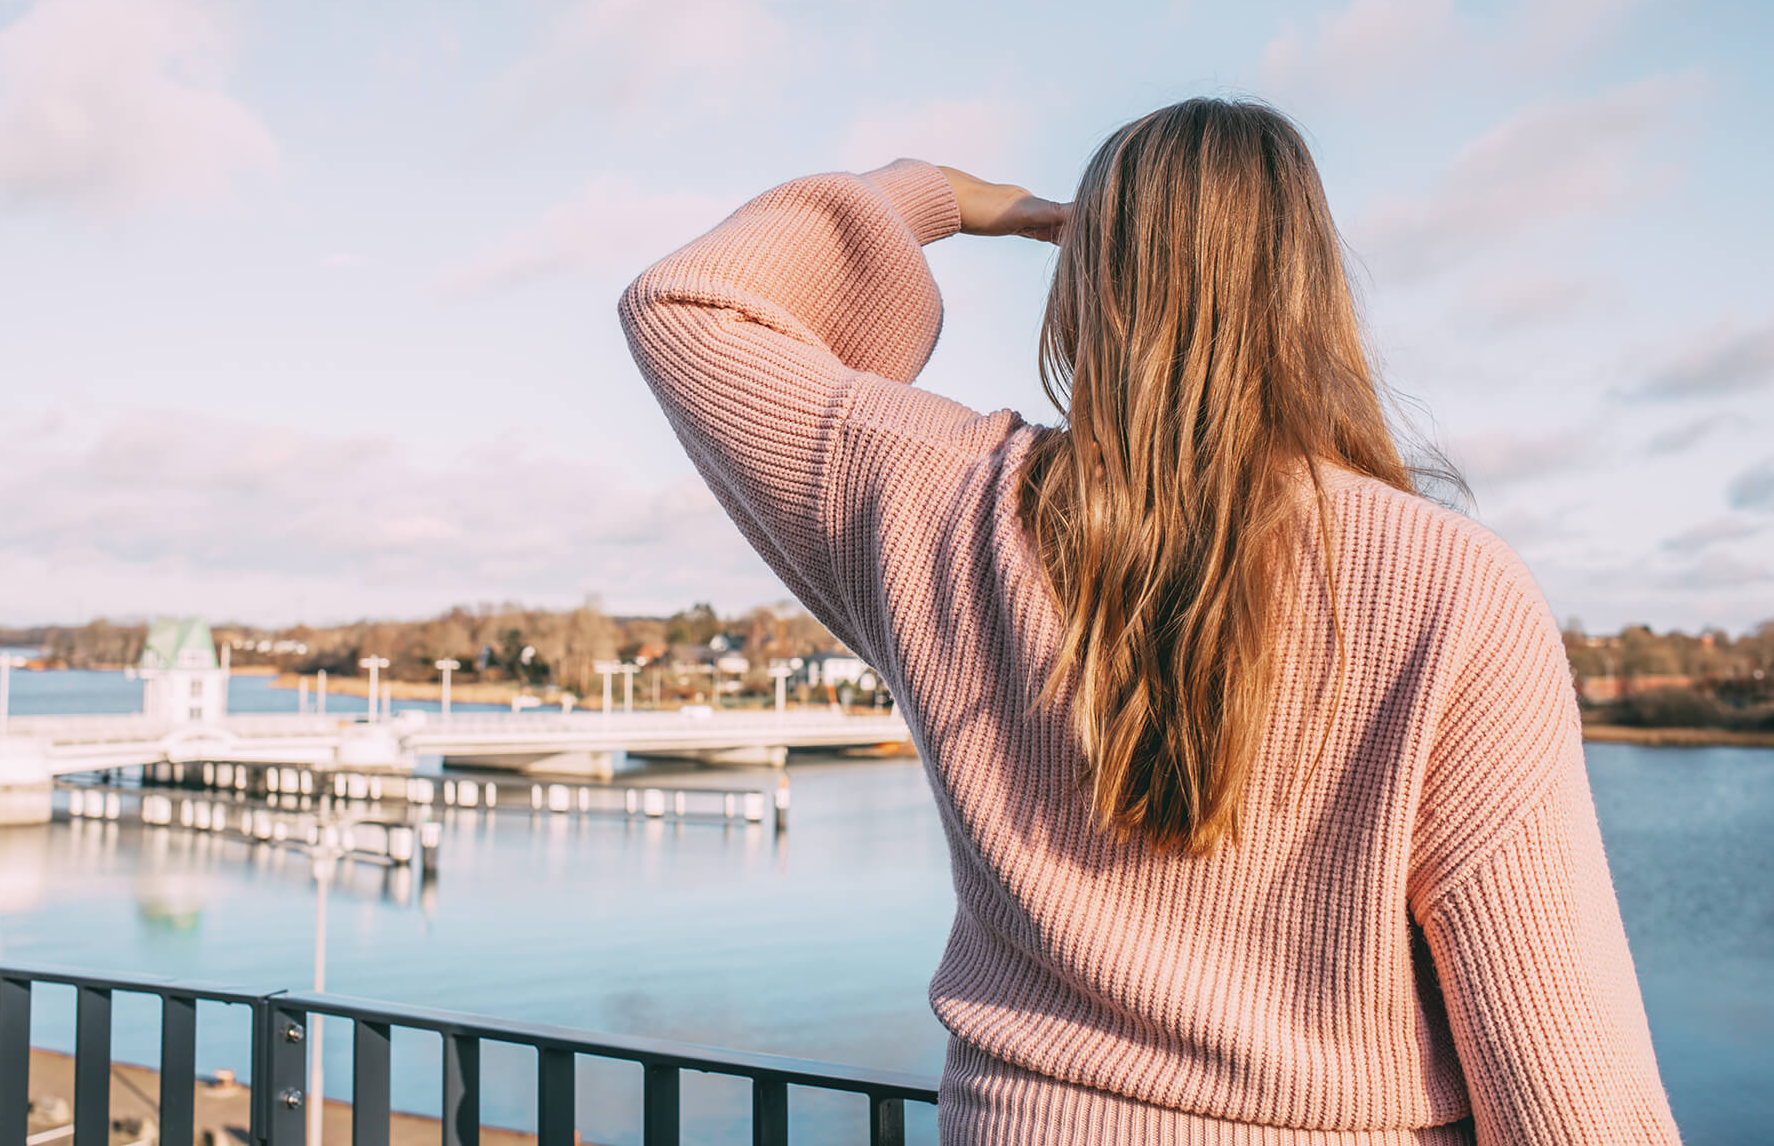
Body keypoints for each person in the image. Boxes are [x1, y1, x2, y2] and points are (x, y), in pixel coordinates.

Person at [619, 98, 1678, 1143]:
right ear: (1308, 293)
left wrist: (947, 199)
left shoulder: (942, 505)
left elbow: (692, 304)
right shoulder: (1455, 589)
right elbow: (1565, 1063)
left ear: (1084, 288)